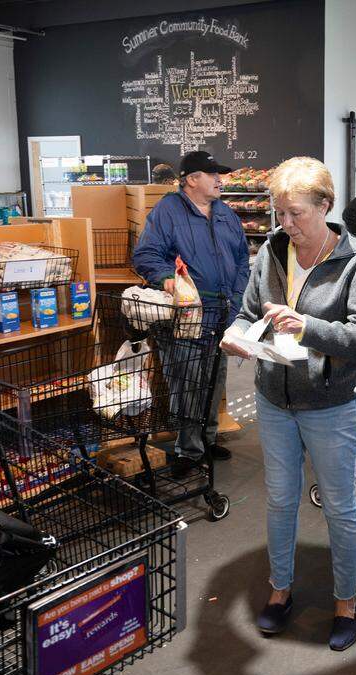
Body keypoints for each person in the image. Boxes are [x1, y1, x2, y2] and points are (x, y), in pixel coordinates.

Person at [220, 156, 356, 652]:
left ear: (325, 207)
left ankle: (346, 603)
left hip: (332, 405)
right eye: (279, 213)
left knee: (338, 506)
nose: (286, 225)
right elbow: (249, 313)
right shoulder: (271, 251)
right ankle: (280, 590)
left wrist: (307, 326)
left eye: (296, 214)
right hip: (274, 398)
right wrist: (236, 334)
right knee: (281, 500)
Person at [132, 150, 249, 469]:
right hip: (187, 314)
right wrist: (167, 279)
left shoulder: (224, 212)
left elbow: (241, 258)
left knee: (214, 379)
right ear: (192, 180)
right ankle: (188, 449)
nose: (219, 180)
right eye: (213, 175)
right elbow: (146, 255)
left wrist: (237, 297)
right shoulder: (168, 211)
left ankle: (207, 440)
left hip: (222, 312)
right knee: (187, 381)